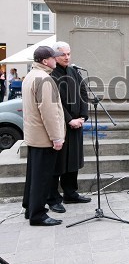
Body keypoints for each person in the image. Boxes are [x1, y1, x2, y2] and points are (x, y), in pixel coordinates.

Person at [22, 46, 66, 226]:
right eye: (54, 58)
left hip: (34, 135)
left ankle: (29, 207)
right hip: (43, 138)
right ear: (45, 61)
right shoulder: (44, 79)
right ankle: (38, 214)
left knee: (33, 175)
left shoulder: (30, 76)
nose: (56, 60)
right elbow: (48, 112)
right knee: (41, 177)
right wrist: (57, 137)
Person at [46, 41, 91, 215]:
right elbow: (54, 102)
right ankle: (53, 198)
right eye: (63, 54)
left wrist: (82, 116)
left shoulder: (74, 71)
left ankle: (70, 193)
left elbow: (83, 93)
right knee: (57, 164)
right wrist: (69, 119)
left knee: (73, 161)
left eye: (69, 54)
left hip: (76, 124)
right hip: (60, 125)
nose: (67, 57)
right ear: (55, 57)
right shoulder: (51, 75)